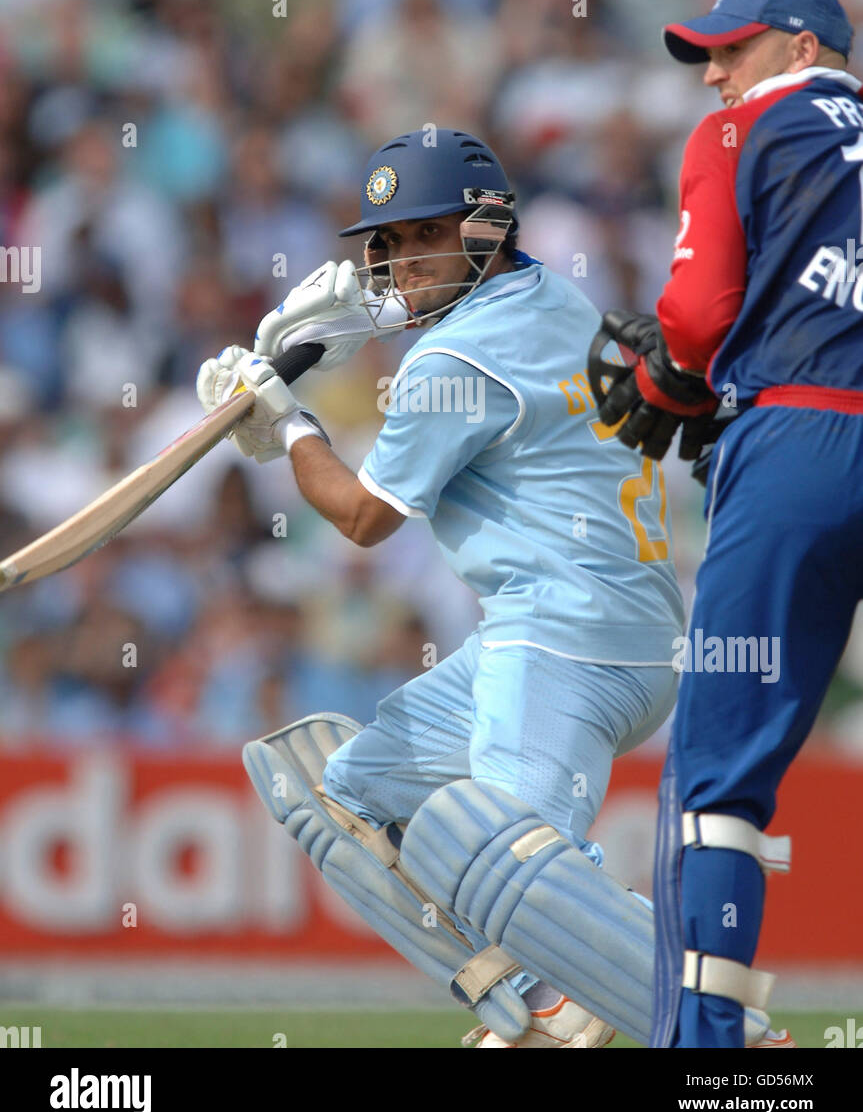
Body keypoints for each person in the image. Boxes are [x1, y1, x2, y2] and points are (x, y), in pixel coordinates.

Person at [196, 127, 781, 1049]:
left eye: (417, 237)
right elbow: (465, 340)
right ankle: (533, 1002)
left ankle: (731, 1045)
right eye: (381, 244)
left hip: (561, 644)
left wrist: (288, 422)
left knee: (514, 866)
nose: (393, 265)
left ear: (481, 228)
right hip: (596, 630)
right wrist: (347, 330)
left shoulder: (450, 363)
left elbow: (361, 519)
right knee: (336, 795)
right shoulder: (555, 294)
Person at [592, 0, 863, 1048]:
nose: (712, 72)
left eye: (730, 48)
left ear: (801, 50)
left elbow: (694, 321)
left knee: (716, 771)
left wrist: (678, 380)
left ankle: (702, 1052)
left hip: (797, 440)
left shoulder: (737, 133)